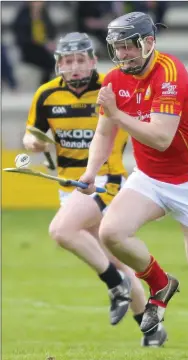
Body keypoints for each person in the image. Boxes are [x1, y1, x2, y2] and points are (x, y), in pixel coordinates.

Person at [78, 12, 188, 354]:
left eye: (130, 46)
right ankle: (161, 284)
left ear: (149, 42)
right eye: (118, 48)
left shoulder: (170, 72)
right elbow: (104, 133)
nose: (124, 54)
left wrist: (117, 114)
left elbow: (160, 137)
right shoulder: (114, 80)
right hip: (150, 178)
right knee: (110, 233)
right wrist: (90, 172)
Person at [23, 32, 168, 347]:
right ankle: (152, 329)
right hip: (69, 188)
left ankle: (115, 287)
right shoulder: (46, 95)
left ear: (92, 61)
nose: (74, 67)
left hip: (106, 181)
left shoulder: (111, 88)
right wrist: (33, 142)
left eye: (80, 60)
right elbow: (32, 133)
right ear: (58, 64)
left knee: (61, 231)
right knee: (117, 260)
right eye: (67, 61)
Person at [12, 1, 56, 85]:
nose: (38, 3)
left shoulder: (44, 14)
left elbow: (52, 31)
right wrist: (38, 42)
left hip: (44, 47)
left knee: (51, 62)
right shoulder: (23, 15)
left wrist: (49, 41)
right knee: (49, 63)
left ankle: (44, 86)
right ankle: (44, 86)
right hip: (29, 48)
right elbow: (21, 36)